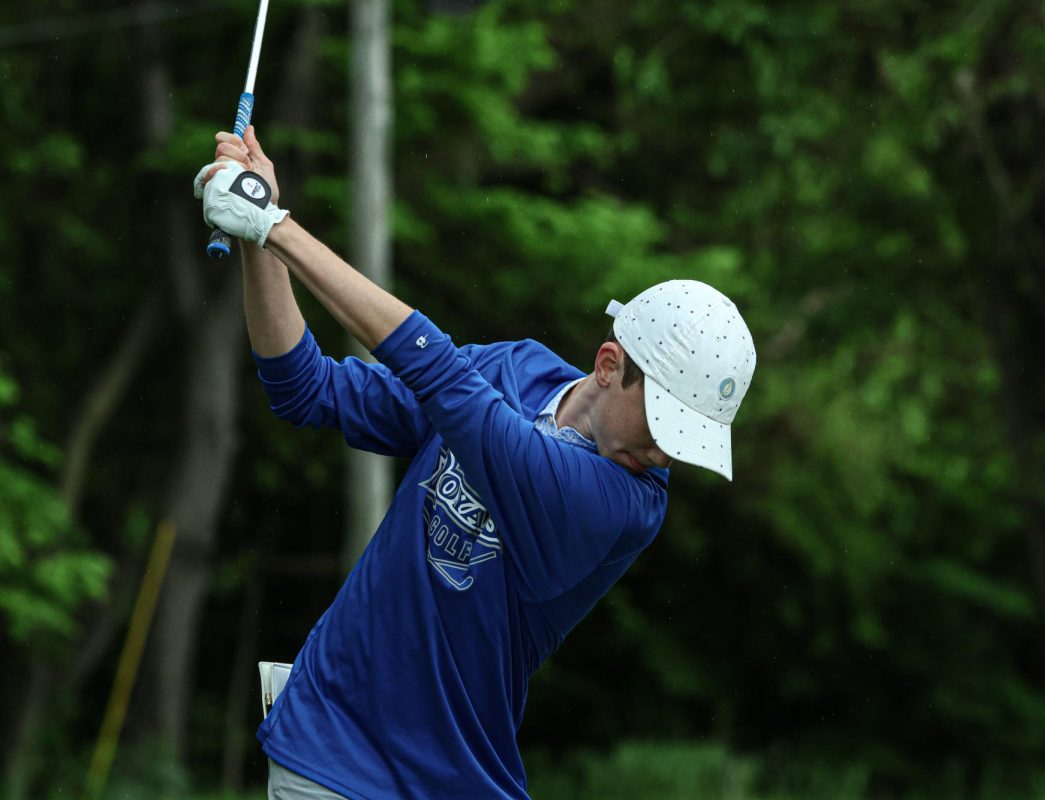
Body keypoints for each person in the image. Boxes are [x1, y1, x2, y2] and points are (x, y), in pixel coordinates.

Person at [194, 126, 757, 800]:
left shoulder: (625, 505)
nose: (667, 454)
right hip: (331, 746)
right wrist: (259, 240)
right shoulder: (516, 369)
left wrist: (276, 225)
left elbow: (449, 387)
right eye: (665, 424)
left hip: (457, 781)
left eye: (689, 442)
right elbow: (306, 388)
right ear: (610, 365)